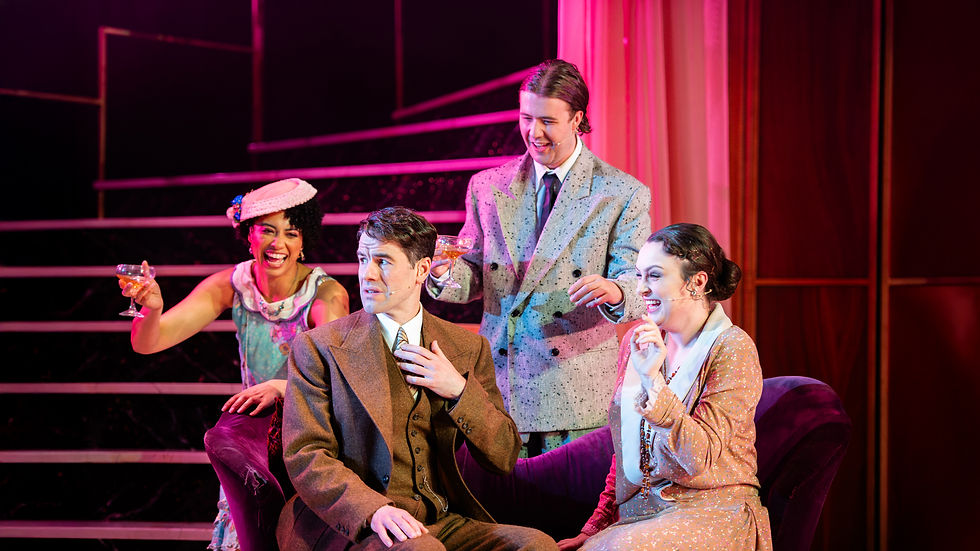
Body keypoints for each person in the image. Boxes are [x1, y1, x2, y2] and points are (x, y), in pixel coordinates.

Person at [277, 207, 557, 551]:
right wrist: (374, 510)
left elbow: (503, 456)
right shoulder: (319, 347)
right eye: (363, 259)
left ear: (421, 270)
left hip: (439, 520)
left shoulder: (467, 347)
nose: (367, 274)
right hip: (355, 523)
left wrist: (458, 391)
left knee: (536, 546)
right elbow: (307, 454)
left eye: (383, 262)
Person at [426, 59, 651, 455]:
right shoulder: (488, 186)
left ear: (577, 119)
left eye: (547, 121)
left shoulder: (620, 192)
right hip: (498, 384)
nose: (534, 132)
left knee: (564, 514)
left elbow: (639, 281)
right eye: (526, 117)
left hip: (572, 391)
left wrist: (614, 289)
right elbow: (473, 272)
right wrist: (444, 272)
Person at [120, 178, 349, 551]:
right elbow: (150, 342)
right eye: (268, 231)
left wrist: (282, 387)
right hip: (253, 438)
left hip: (311, 433)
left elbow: (338, 380)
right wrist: (153, 308)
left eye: (291, 233)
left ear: (305, 241)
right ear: (248, 235)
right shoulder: (232, 284)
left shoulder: (325, 295)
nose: (279, 245)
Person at [556, 223, 772, 551]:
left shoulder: (732, 348)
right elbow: (627, 447)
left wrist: (652, 380)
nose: (641, 289)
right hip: (640, 517)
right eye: (639, 276)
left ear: (696, 283)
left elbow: (698, 458)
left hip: (711, 513)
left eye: (654, 276)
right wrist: (596, 526)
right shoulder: (637, 340)